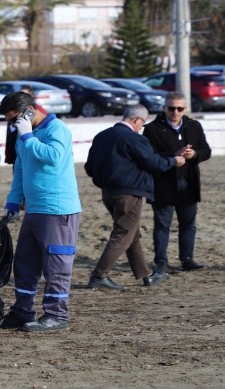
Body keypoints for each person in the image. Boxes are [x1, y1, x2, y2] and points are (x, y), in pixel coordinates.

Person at [0, 91, 81, 332]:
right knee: (25, 262)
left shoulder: (57, 130)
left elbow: (53, 157)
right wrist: (13, 202)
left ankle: (57, 314)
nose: (12, 125)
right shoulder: (23, 137)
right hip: (34, 209)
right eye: (10, 121)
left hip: (58, 209)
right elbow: (20, 171)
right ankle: (23, 311)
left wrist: (28, 137)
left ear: (29, 111)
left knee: (56, 263)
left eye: (14, 119)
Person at [85, 104, 185, 290]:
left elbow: (89, 167)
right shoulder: (133, 138)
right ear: (137, 119)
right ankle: (98, 275)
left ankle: (145, 274)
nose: (142, 127)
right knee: (123, 234)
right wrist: (174, 161)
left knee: (131, 232)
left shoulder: (102, 136)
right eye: (143, 124)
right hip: (129, 193)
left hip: (108, 192)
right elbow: (153, 163)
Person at [143, 92, 212, 275]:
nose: (175, 112)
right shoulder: (152, 129)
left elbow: (206, 151)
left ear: (185, 109)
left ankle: (187, 259)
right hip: (163, 184)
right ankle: (161, 261)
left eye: (179, 108)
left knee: (188, 224)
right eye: (171, 108)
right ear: (164, 108)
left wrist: (194, 154)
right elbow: (148, 157)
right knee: (162, 225)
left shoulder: (194, 126)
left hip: (188, 182)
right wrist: (174, 155)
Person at [4, 85, 35, 168]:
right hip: (17, 157)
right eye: (19, 95)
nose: (20, 98)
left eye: (25, 95)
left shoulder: (37, 116)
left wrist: (27, 137)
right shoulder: (14, 114)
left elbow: (53, 156)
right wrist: (9, 156)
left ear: (31, 97)